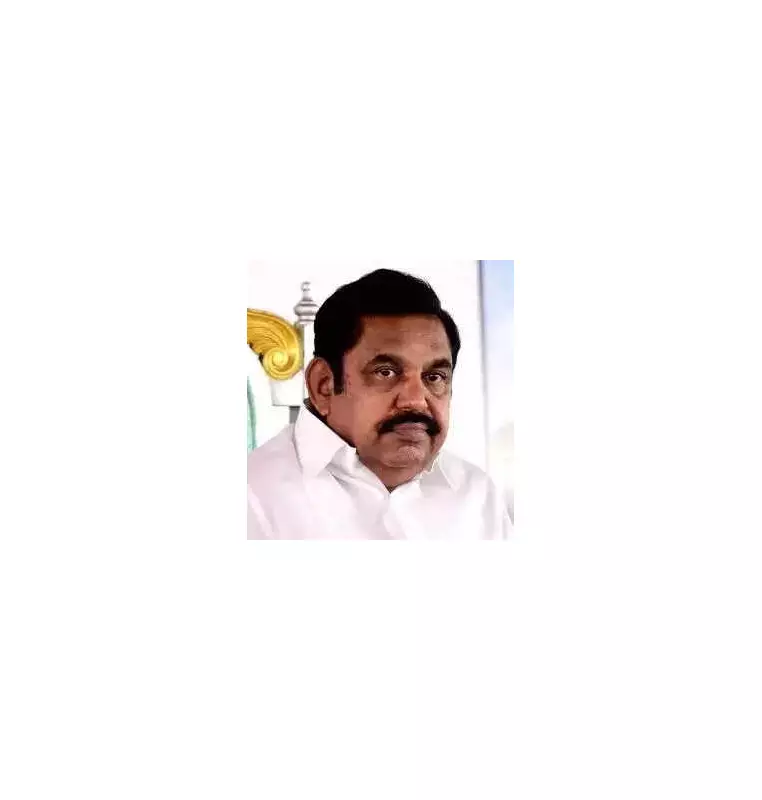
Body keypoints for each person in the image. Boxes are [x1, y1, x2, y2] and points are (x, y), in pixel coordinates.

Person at [247, 269, 512, 540]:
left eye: (434, 377)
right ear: (323, 385)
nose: (416, 400)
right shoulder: (254, 496)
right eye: (386, 372)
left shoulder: (478, 496)